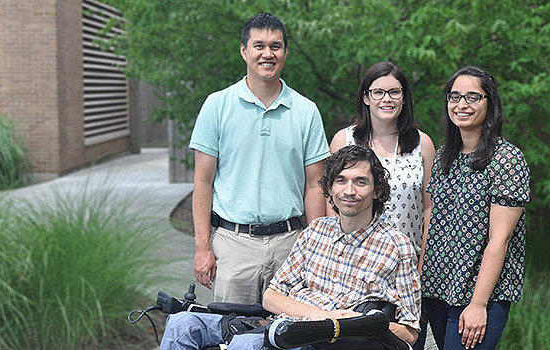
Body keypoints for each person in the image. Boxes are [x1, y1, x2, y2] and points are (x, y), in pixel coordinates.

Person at [160, 145, 421, 350]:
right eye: (341, 181)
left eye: (360, 182)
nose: (349, 190)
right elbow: (271, 297)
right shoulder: (316, 231)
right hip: (278, 325)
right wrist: (321, 315)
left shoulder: (396, 246)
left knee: (247, 344)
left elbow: (410, 331)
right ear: (330, 188)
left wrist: (351, 325)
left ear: (377, 190)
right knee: (182, 323)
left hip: (324, 342)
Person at [189, 13, 329, 304]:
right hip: (232, 245)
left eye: (276, 46)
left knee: (291, 339)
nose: (268, 53)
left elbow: (315, 186)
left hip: (291, 244)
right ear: (244, 51)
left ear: (286, 53)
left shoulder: (306, 111)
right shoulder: (217, 105)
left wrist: (316, 247)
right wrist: (203, 248)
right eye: (259, 45)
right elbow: (203, 181)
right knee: (231, 335)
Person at [420, 66, 529, 350]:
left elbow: (500, 239)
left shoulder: (506, 159)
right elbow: (433, 224)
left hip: (480, 295)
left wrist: (478, 304)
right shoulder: (445, 155)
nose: (461, 105)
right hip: (438, 288)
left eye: (472, 97)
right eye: (454, 97)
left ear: (489, 103)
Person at [328, 62, 435, 349]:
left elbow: (429, 211)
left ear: (404, 97)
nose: (386, 99)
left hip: (405, 268)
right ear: (365, 97)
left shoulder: (422, 144)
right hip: (353, 267)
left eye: (394, 92)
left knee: (403, 339)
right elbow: (332, 206)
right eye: (378, 92)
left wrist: (422, 269)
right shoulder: (345, 139)